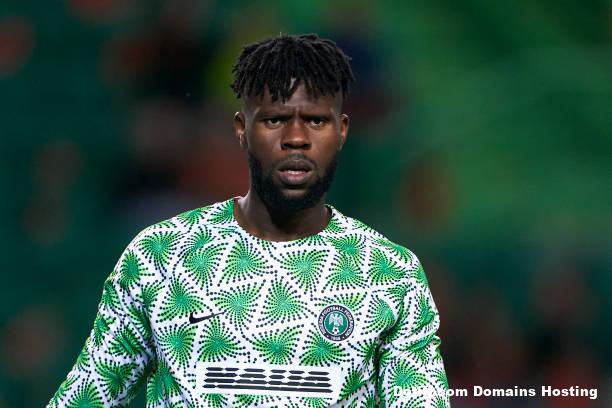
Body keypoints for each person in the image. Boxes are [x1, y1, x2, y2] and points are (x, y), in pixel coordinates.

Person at [47, 33, 450, 408]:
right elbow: (84, 397)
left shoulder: (390, 274)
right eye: (275, 119)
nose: (296, 137)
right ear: (242, 129)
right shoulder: (160, 256)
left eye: (315, 120)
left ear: (341, 131)